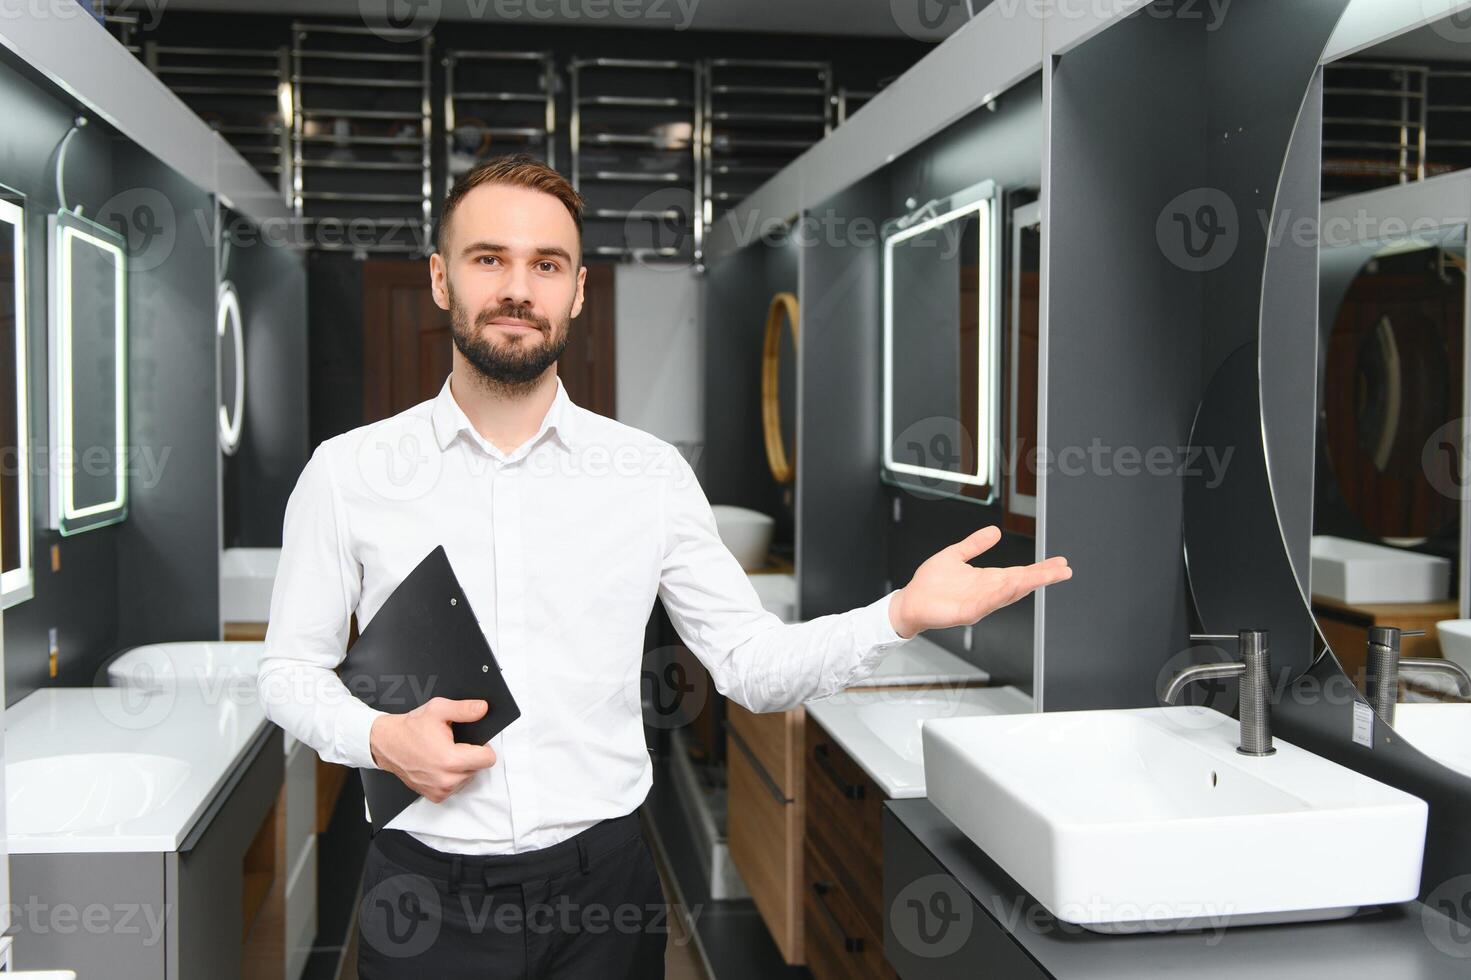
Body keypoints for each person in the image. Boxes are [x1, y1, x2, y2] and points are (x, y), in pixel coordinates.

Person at [258, 154, 1072, 979]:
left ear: (576, 291)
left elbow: (750, 666)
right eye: (488, 259)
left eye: (546, 264)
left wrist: (897, 614)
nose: (518, 288)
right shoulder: (348, 473)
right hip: (424, 902)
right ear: (441, 279)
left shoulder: (646, 476)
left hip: (602, 897)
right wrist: (379, 737)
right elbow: (288, 673)